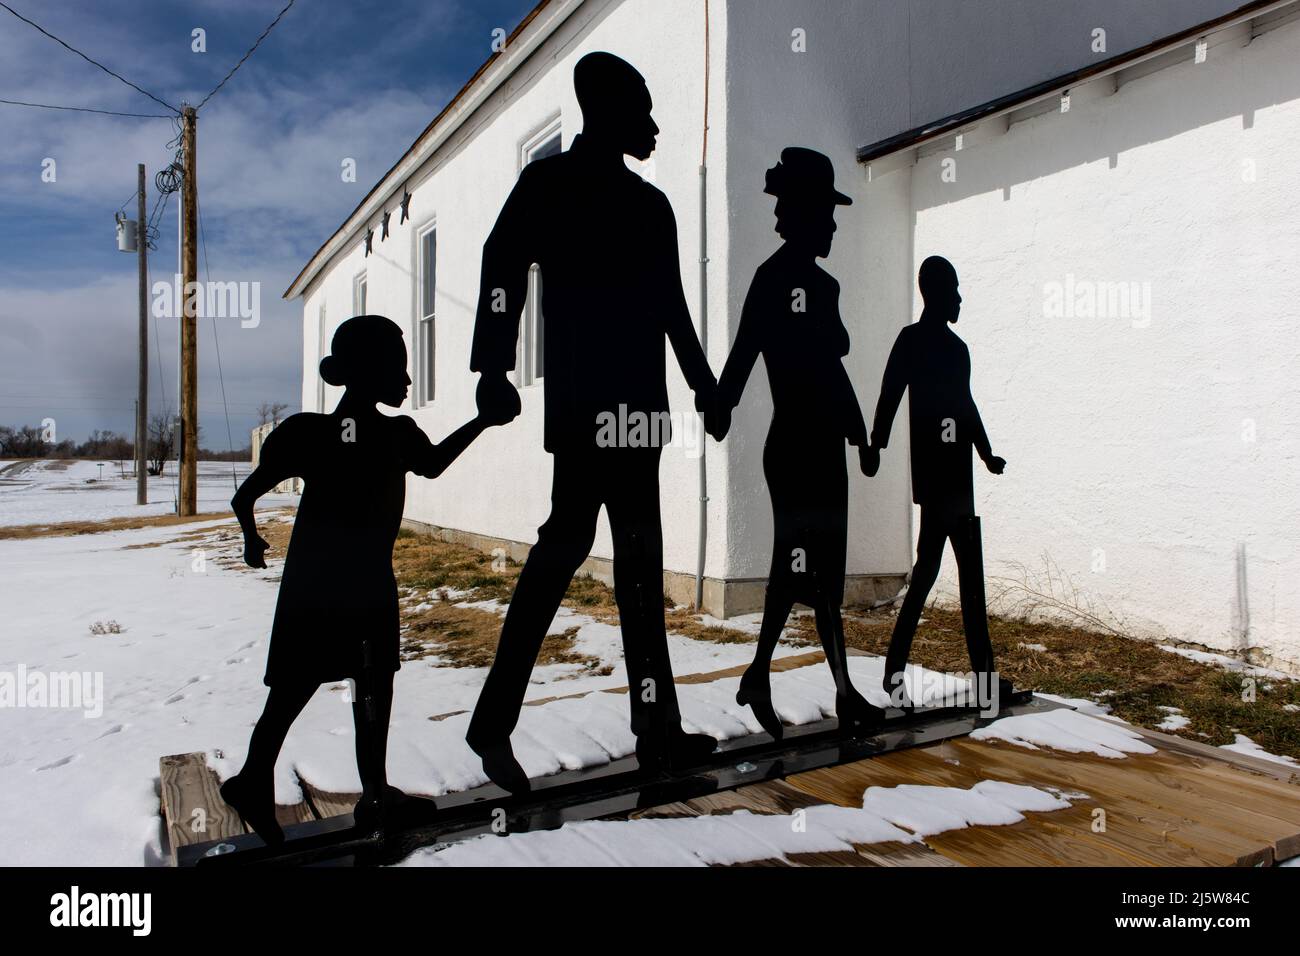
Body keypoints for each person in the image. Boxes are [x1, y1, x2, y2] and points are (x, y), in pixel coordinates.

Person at [465, 51, 722, 792]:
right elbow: (500, 265)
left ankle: (656, 728)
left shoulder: (651, 206)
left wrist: (705, 387)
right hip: (591, 409)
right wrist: (492, 365)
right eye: (641, 110)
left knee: (635, 569)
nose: (653, 125)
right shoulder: (550, 186)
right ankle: (498, 721)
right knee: (565, 550)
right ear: (606, 109)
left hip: (633, 411)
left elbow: (672, 306)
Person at [221, 315, 504, 844]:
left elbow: (435, 462)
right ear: (367, 370)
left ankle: (372, 791)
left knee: (368, 684)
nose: (408, 380)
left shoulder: (391, 435)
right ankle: (259, 779)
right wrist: (250, 537)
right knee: (301, 687)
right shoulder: (314, 433)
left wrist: (483, 421)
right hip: (327, 583)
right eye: (398, 367)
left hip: (360, 581)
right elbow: (246, 494)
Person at [713, 147, 884, 739]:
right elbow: (744, 354)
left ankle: (820, 685)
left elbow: (835, 376)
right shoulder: (772, 280)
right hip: (790, 447)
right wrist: (721, 405)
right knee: (794, 563)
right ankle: (780, 677)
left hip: (826, 447)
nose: (834, 225)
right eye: (827, 214)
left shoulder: (826, 287)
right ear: (803, 213)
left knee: (824, 574)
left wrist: (859, 432)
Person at [862, 256, 1007, 709]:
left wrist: (985, 452)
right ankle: (902, 672)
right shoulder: (913, 342)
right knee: (940, 578)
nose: (960, 299)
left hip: (957, 476)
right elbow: (890, 393)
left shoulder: (956, 349)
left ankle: (902, 672)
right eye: (955, 290)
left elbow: (966, 405)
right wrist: (876, 443)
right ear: (936, 292)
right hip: (939, 478)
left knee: (952, 578)